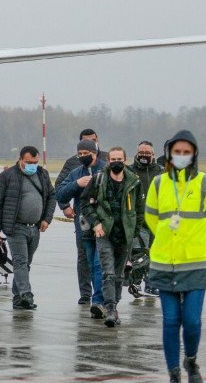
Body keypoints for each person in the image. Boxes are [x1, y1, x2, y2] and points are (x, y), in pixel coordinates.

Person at [145, 130, 206, 383]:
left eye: (186, 152)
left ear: (194, 154)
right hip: (164, 261)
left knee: (191, 320)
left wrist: (199, 241)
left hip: (196, 262)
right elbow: (151, 218)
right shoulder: (158, 183)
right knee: (170, 321)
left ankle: (191, 360)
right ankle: (174, 376)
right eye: (177, 152)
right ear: (169, 154)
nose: (181, 156)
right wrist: (167, 239)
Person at [81, 146, 144, 327]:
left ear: (125, 160)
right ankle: (109, 309)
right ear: (108, 161)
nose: (116, 162)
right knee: (107, 273)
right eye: (113, 159)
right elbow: (85, 203)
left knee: (118, 275)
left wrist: (134, 231)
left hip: (124, 235)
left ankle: (114, 306)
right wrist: (95, 223)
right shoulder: (99, 179)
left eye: (119, 159)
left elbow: (140, 210)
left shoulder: (134, 182)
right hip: (105, 233)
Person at [0, 145, 55, 310]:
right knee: (20, 261)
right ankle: (26, 294)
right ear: (20, 159)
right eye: (29, 162)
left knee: (26, 264)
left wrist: (46, 219)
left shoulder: (42, 174)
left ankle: (18, 299)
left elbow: (51, 196)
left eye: (35, 162)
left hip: (35, 228)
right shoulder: (7, 176)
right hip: (15, 227)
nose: (32, 165)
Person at [55, 138, 106, 316]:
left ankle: (99, 299)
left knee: (100, 262)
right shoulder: (76, 172)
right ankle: (90, 294)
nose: (83, 156)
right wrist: (77, 184)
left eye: (87, 153)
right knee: (89, 262)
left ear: (95, 153)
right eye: (80, 154)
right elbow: (60, 193)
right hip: (84, 225)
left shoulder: (105, 169)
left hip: (103, 224)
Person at [127, 140, 162, 295]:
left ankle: (152, 284)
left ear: (153, 155)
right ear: (136, 154)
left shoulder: (161, 172)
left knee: (155, 253)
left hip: (157, 220)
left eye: (147, 153)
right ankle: (135, 282)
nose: (144, 156)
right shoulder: (129, 171)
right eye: (141, 153)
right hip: (137, 219)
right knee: (139, 252)